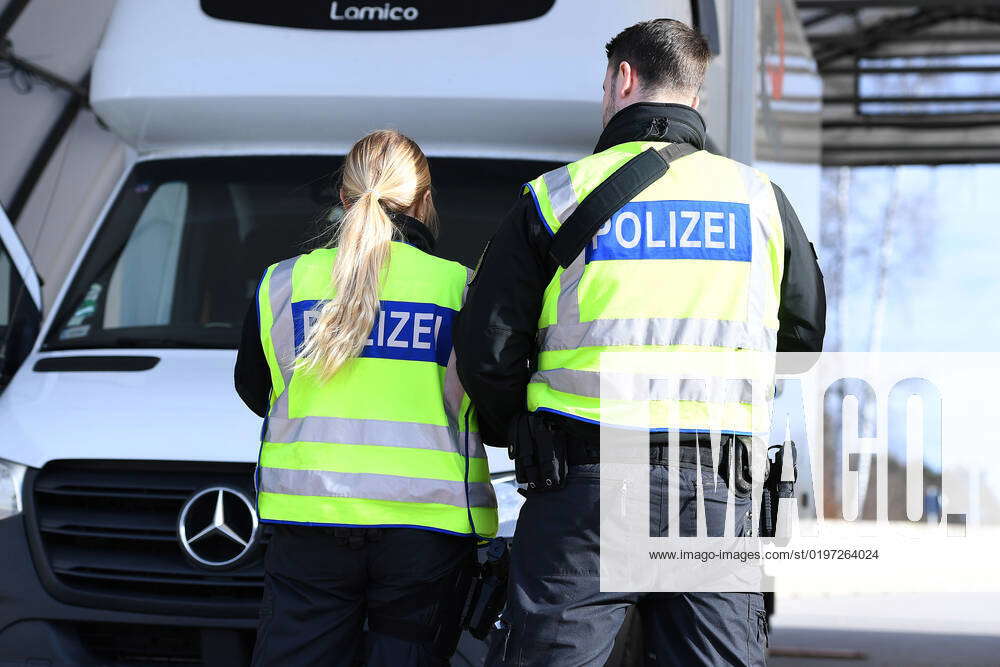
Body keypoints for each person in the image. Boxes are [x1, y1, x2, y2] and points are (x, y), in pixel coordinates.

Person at [454, 19, 825, 667]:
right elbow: (803, 336)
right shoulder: (760, 200)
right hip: (716, 489)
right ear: (696, 94)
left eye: (605, 83)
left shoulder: (552, 198)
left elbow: (489, 347)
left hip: (582, 489)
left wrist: (516, 427)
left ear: (624, 78)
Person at [235, 130, 498, 666]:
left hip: (309, 523)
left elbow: (252, 390)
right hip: (427, 531)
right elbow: (493, 401)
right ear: (424, 201)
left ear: (342, 198)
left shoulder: (282, 285)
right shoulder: (462, 289)